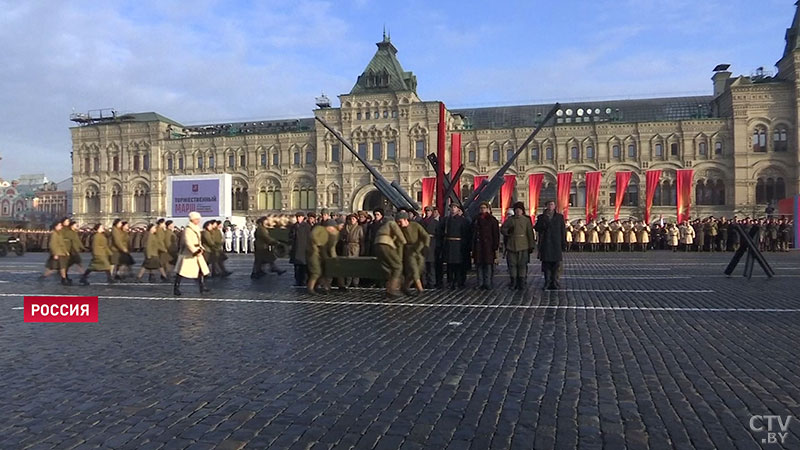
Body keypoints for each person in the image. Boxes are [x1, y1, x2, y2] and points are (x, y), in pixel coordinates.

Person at [173, 211, 211, 296]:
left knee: (201, 270)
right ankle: (176, 287)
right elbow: (188, 241)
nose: (199, 221)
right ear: (193, 219)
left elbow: (198, 240)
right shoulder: (188, 229)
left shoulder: (196, 227)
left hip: (197, 250)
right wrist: (195, 251)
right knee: (182, 271)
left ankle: (202, 286)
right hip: (189, 253)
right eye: (197, 219)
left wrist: (200, 247)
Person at [501, 201, 536, 290]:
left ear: (522, 211)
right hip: (511, 245)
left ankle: (522, 281)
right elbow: (503, 229)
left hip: (523, 245)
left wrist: (531, 245)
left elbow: (530, 233)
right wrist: (508, 232)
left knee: (522, 264)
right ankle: (513, 281)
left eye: (519, 210)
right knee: (512, 265)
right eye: (516, 210)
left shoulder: (526, 220)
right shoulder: (510, 220)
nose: (518, 211)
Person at [535, 201, 567, 290]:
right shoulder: (541, 217)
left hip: (556, 243)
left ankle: (555, 282)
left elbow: (563, 230)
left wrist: (563, 242)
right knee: (546, 265)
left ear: (554, 206)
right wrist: (543, 224)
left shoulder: (559, 217)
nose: (550, 206)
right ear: (546, 206)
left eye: (552, 204)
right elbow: (537, 228)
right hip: (545, 243)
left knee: (556, 264)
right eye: (549, 204)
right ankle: (547, 282)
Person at [374, 214, 407, 298]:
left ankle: (389, 288)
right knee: (398, 266)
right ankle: (392, 289)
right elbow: (398, 234)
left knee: (389, 267)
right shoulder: (392, 223)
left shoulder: (383, 227)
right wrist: (404, 242)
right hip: (386, 244)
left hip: (377, 244)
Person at [398, 210, 430, 295]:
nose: (399, 223)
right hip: (409, 252)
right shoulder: (400, 229)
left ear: (405, 219)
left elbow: (425, 235)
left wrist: (426, 246)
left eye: (400, 221)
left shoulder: (416, 225)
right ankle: (420, 289)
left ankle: (405, 287)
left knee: (419, 270)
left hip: (419, 250)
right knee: (414, 270)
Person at [441, 203, 470, 289]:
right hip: (449, 245)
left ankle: (458, 281)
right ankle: (450, 281)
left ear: (458, 209)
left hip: (459, 245)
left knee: (458, 265)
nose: (453, 209)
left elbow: (466, 233)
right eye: (451, 207)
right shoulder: (446, 220)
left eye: (455, 207)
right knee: (450, 265)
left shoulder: (463, 220)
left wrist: (464, 246)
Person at [307, 219, 339, 295]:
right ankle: (310, 288)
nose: (332, 229)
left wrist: (332, 258)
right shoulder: (319, 229)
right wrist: (318, 243)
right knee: (316, 272)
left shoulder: (331, 234)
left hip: (321, 254)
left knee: (323, 272)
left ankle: (324, 287)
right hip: (313, 253)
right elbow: (313, 236)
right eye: (331, 227)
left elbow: (330, 248)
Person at [473, 202, 500, 290]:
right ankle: (480, 283)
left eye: (484, 208)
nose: (482, 209)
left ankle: (488, 283)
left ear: (488, 209)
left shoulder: (492, 220)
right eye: (481, 208)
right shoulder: (476, 219)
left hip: (488, 246)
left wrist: (495, 247)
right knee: (479, 265)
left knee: (488, 265)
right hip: (478, 246)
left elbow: (496, 234)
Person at [42, 220, 70, 285]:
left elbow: (62, 243)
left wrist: (66, 252)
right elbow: (52, 244)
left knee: (59, 267)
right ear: (56, 226)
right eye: (60, 225)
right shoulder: (54, 234)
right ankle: (63, 279)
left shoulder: (59, 233)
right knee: (57, 267)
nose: (61, 227)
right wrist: (55, 253)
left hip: (61, 252)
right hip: (58, 253)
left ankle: (63, 279)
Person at [289, 212, 311, 286]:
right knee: (297, 267)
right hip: (296, 248)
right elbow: (290, 236)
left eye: (300, 217)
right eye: (297, 217)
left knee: (304, 266)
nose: (298, 218)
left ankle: (304, 280)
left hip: (304, 248)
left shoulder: (306, 226)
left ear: (303, 217)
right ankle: (298, 280)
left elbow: (309, 237)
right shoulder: (294, 226)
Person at [420, 206, 440, 288]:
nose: (428, 212)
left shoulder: (435, 223)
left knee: (431, 265)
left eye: (429, 211)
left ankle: (432, 282)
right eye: (426, 211)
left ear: (432, 212)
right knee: (423, 265)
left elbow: (438, 234)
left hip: (432, 244)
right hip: (423, 244)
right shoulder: (422, 222)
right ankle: (424, 282)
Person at [343, 214, 364, 288]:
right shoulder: (346, 227)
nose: (352, 220)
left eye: (353, 219)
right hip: (347, 246)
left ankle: (355, 282)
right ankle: (348, 281)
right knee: (347, 265)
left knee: (355, 264)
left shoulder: (359, 228)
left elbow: (362, 239)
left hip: (355, 247)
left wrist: (362, 249)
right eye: (351, 219)